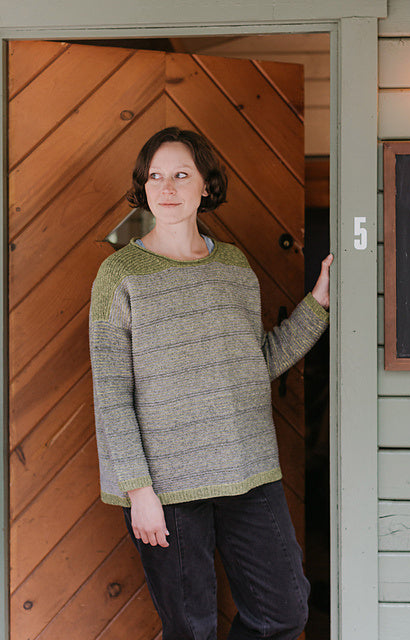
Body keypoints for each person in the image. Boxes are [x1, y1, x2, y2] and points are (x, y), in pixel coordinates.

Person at [88, 127, 334, 640]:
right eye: (155, 176)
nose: (167, 187)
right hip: (165, 486)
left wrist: (318, 305)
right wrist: (139, 492)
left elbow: (256, 362)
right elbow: (111, 395)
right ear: (143, 187)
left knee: (285, 613)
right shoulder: (119, 275)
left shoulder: (233, 266)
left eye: (181, 174)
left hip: (248, 470)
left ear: (206, 186)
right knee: (191, 629)